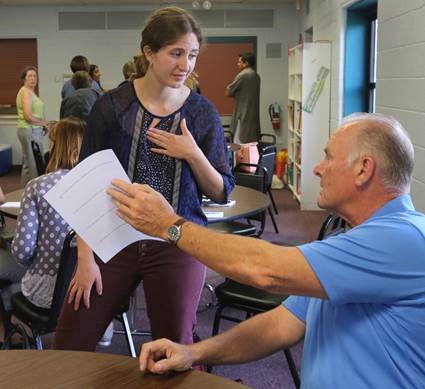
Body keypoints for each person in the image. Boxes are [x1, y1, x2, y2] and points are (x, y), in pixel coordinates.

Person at [107, 113, 425, 388]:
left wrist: (169, 225)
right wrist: (195, 352)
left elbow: (267, 271)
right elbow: (282, 325)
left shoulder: (404, 239)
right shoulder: (349, 241)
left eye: (328, 157)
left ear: (363, 169)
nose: (317, 168)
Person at [53, 7, 233, 351]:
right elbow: (86, 185)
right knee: (70, 340)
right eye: (176, 53)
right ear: (149, 52)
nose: (186, 65)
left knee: (175, 348)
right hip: (112, 239)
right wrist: (85, 258)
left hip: (178, 240)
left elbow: (222, 190)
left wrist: (192, 153)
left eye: (192, 55)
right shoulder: (112, 106)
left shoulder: (201, 113)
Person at [10, 117, 85, 309]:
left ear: (55, 146)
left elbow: (22, 251)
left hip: (48, 292)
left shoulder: (37, 187)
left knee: (13, 272)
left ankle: (11, 330)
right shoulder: (101, 186)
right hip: (94, 291)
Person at [16, 66, 49, 187]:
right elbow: (27, 116)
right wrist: (43, 123)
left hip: (33, 129)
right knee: (34, 164)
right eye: (29, 76)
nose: (33, 78)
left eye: (35, 76)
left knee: (28, 164)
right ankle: (34, 192)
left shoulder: (30, 92)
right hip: (28, 129)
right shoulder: (25, 91)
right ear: (24, 78)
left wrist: (42, 124)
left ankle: (23, 192)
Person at [226, 52, 261, 144]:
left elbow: (229, 91)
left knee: (239, 144)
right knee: (251, 144)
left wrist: (235, 94)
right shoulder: (256, 76)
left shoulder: (243, 75)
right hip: (251, 117)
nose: (238, 64)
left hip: (242, 116)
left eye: (240, 62)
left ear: (246, 63)